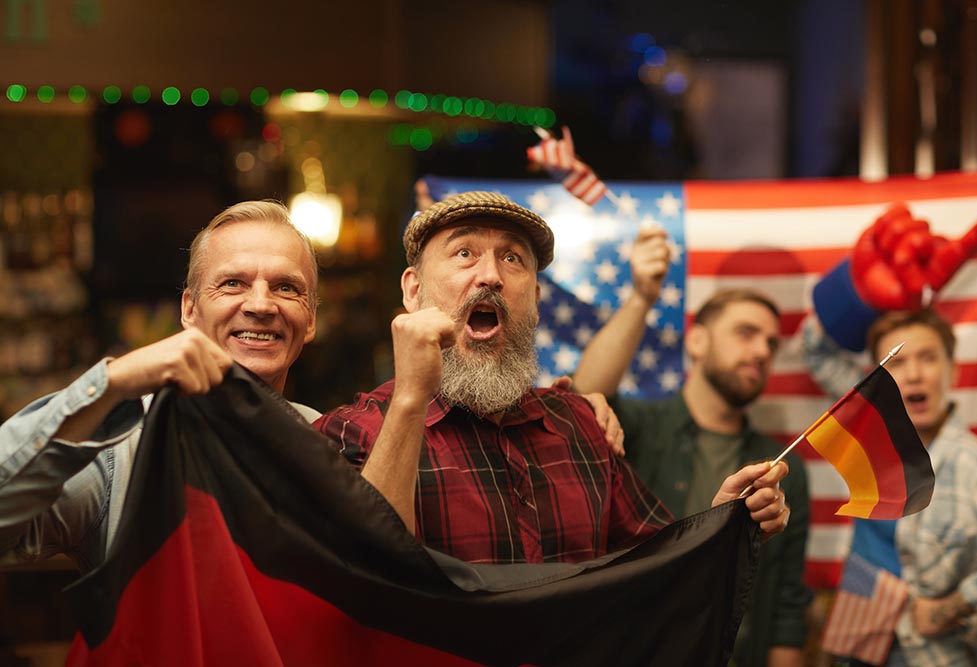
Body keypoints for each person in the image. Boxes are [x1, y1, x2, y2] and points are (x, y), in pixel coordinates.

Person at [314, 190, 790, 564]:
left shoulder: (582, 426)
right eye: (464, 253)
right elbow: (359, 578)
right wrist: (410, 399)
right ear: (414, 291)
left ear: (537, 300)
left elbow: (659, 572)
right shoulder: (350, 432)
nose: (491, 276)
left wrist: (726, 518)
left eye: (512, 258)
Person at [0, 200, 319, 572]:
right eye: (233, 283)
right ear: (189, 310)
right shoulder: (121, 451)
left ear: (310, 319)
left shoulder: (328, 443)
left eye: (285, 287)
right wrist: (112, 383)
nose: (261, 305)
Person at [571, 226, 811, 667]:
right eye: (745, 332)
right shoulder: (639, 427)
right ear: (697, 340)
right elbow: (582, 396)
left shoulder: (782, 466)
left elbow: (787, 609)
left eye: (771, 343)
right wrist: (643, 296)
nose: (762, 350)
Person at [805, 310, 977, 667]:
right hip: (858, 638)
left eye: (928, 358)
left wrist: (954, 606)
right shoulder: (867, 422)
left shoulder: (973, 466)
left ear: (952, 371)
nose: (913, 374)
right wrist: (869, 291)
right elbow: (814, 346)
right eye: (898, 361)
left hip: (925, 653)